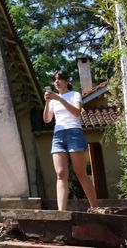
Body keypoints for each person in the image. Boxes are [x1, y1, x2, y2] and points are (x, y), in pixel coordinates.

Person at [43, 71, 98, 210]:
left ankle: (95, 207)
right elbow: (47, 119)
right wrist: (48, 102)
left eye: (60, 78)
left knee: (81, 174)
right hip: (58, 135)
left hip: (74, 132)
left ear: (67, 81)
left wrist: (59, 99)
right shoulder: (53, 100)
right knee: (60, 173)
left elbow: (77, 112)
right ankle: (61, 212)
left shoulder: (75, 95)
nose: (56, 81)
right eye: (54, 79)